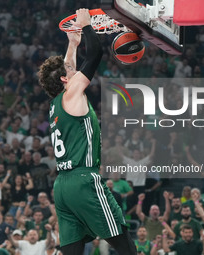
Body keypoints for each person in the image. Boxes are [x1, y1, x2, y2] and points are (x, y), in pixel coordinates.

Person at [38, 8, 136, 255]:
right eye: (69, 71)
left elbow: (67, 67)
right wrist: (87, 25)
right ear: (64, 80)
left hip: (62, 187)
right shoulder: (72, 93)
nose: (74, 69)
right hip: (84, 181)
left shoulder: (56, 104)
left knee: (72, 250)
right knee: (124, 245)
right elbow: (94, 55)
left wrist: (72, 43)